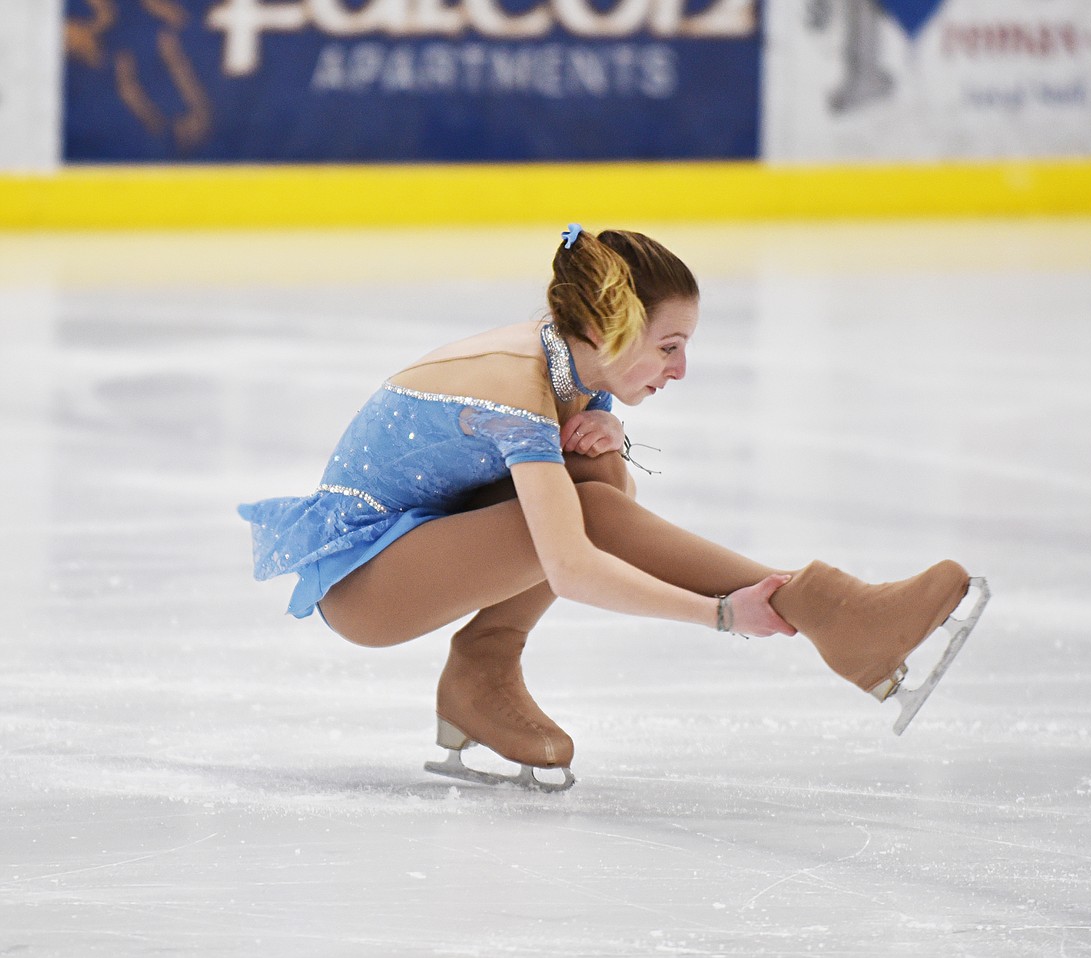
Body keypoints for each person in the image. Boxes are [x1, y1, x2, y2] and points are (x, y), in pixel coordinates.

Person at [238, 224, 989, 792]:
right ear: (607, 330)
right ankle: (829, 609)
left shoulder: (566, 364)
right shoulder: (516, 387)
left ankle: (481, 674)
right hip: (367, 583)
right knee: (582, 508)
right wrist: (722, 614)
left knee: (593, 472)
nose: (681, 368)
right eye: (668, 346)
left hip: (427, 540)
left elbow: (592, 506)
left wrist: (608, 429)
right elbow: (573, 565)